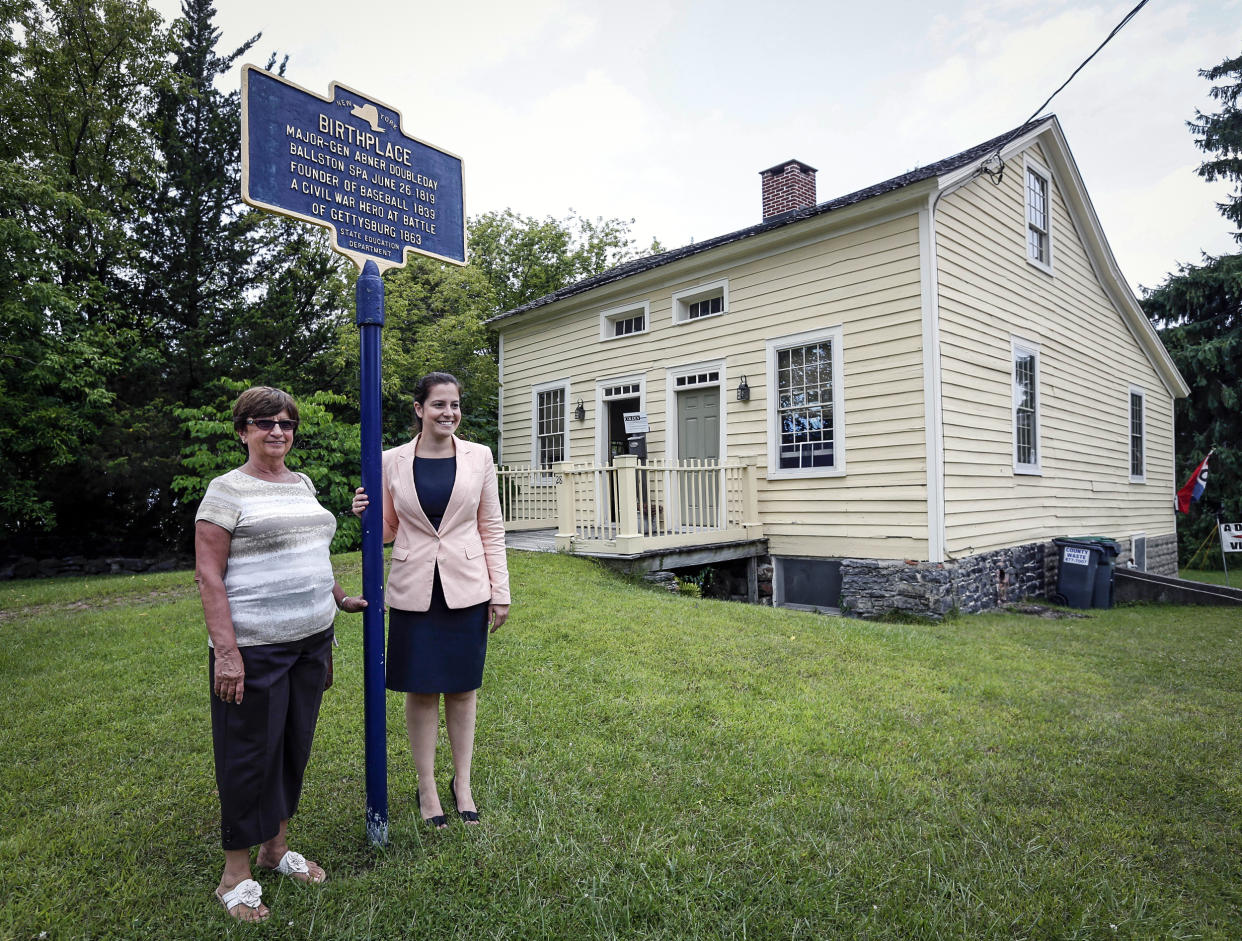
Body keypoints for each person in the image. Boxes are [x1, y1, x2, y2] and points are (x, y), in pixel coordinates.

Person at [194, 386, 366, 923]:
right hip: (254, 649)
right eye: (265, 423)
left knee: (293, 747)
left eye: (287, 424)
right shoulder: (225, 491)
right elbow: (209, 575)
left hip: (312, 642)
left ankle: (274, 849)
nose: (278, 432)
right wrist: (227, 653)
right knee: (250, 756)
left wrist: (338, 598)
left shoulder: (303, 484)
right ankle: (235, 874)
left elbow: (311, 553)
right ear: (243, 430)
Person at [351, 371, 510, 829]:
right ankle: (427, 788)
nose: (449, 413)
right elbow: (385, 531)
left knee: (462, 689)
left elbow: (491, 528)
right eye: (439, 404)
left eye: (455, 404)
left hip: (467, 586)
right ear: (418, 409)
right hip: (412, 589)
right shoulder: (389, 461)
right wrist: (362, 513)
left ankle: (463, 783)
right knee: (421, 690)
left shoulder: (480, 457)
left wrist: (500, 592)